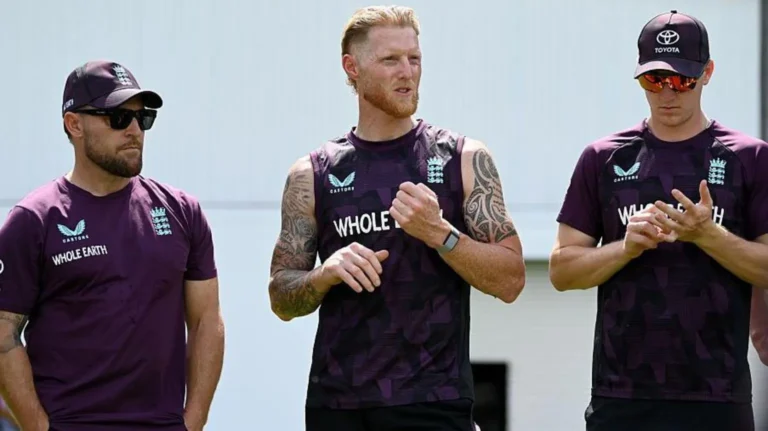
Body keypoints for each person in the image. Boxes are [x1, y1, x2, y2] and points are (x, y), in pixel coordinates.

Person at [267, 5, 525, 431]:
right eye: (390, 60)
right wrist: (325, 274)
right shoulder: (312, 174)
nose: (407, 72)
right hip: (338, 404)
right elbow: (281, 297)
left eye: (414, 58)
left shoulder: (462, 158)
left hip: (433, 402)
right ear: (352, 67)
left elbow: (511, 280)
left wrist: (441, 234)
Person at [549, 10, 768, 431]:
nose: (668, 92)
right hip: (621, 398)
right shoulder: (603, 158)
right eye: (655, 79)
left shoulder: (749, 158)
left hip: (717, 397)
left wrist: (708, 235)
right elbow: (561, 271)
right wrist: (625, 248)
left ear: (707, 73)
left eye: (682, 79)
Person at [0, 60, 225, 431]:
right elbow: (4, 335)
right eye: (118, 117)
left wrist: (194, 420)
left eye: (143, 118)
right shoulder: (33, 219)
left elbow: (206, 321)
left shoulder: (183, 212)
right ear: (74, 124)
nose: (134, 130)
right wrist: (38, 426)